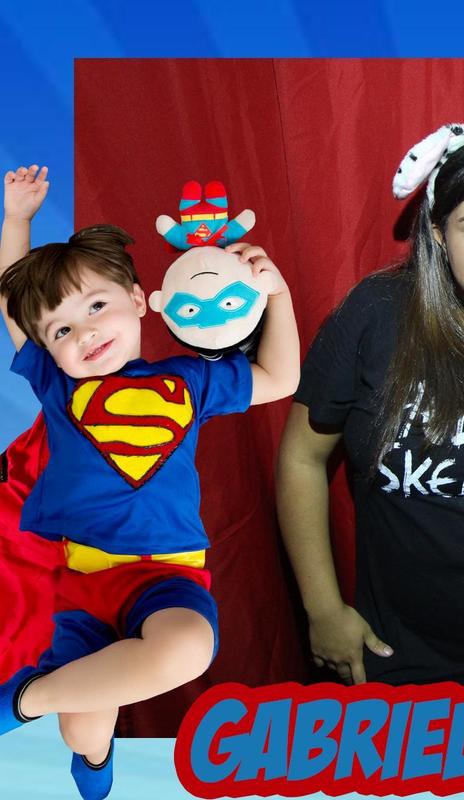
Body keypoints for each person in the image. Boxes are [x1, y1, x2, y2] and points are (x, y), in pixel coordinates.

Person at [0, 164, 299, 800]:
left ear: (140, 300)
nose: (85, 332)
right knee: (83, 729)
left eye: (96, 306)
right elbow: (12, 300)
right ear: (47, 348)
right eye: (61, 330)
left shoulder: (189, 380)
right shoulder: (56, 385)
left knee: (188, 649)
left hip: (168, 575)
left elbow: (281, 378)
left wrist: (277, 296)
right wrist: (17, 220)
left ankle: (19, 701)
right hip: (84, 580)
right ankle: (91, 750)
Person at [276, 123, 464, 707]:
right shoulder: (377, 314)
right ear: (439, 235)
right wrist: (322, 609)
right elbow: (301, 457)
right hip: (394, 653)